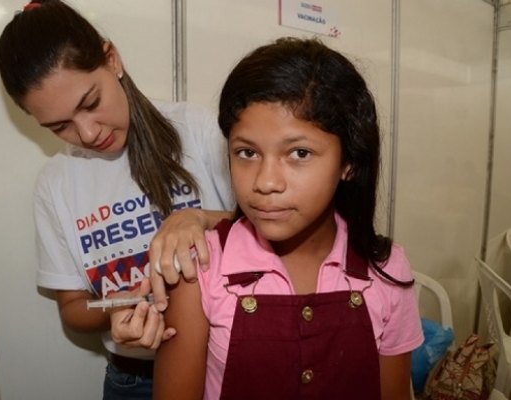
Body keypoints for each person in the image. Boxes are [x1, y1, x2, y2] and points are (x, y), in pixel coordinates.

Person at [152, 37, 424, 400]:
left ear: (348, 162)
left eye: (299, 153)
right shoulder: (200, 267)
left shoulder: (387, 269)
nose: (265, 182)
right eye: (246, 152)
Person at [0, 1, 233, 399]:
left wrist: (201, 218)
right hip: (131, 381)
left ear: (112, 59)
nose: (87, 133)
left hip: (223, 364)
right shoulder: (55, 184)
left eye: (90, 103)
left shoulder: (197, 130)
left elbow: (276, 237)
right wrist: (115, 311)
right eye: (59, 126)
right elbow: (72, 307)